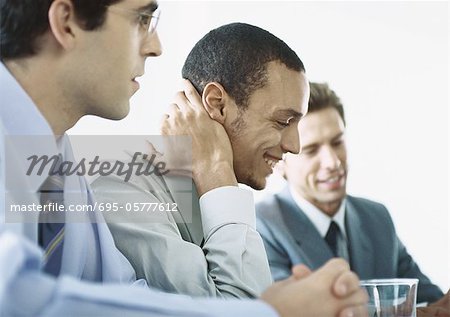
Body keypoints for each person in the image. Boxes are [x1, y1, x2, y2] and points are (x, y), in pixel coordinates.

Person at [0, 1, 369, 316]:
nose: (157, 46)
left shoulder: (61, 168)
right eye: (142, 18)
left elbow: (126, 296)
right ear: (66, 22)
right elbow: (17, 298)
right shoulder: (116, 181)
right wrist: (267, 311)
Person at [92, 22, 306, 298]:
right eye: (283, 121)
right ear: (217, 104)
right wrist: (215, 171)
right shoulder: (122, 188)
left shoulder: (226, 195)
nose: (295, 146)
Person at [255, 82, 445, 304]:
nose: (333, 162)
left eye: (337, 142)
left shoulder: (376, 217)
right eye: (311, 150)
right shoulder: (262, 227)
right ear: (280, 162)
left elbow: (430, 299)